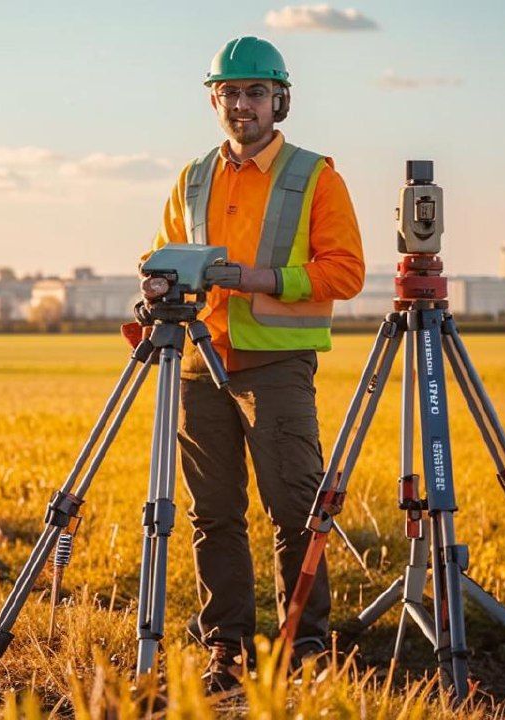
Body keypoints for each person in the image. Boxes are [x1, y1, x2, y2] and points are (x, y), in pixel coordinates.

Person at [139, 36, 365, 693]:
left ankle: (306, 648)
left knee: (295, 509)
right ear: (215, 99)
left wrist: (251, 276)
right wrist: (157, 282)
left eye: (255, 92)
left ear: (280, 100)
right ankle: (227, 652)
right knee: (213, 516)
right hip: (198, 362)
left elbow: (345, 273)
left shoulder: (315, 175)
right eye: (230, 93)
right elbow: (165, 250)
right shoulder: (192, 177)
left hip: (276, 365)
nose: (242, 105)